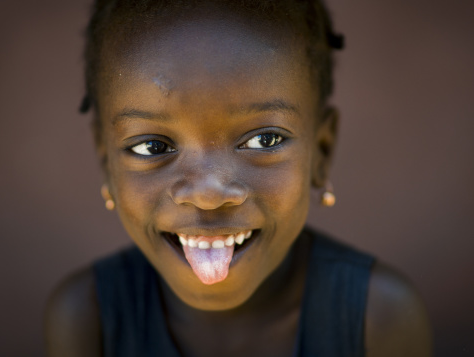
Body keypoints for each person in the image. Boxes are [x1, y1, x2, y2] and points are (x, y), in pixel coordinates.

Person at [45, 0, 432, 356]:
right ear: (106, 163)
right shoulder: (87, 319)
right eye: (152, 147)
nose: (209, 194)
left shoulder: (377, 318)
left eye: (265, 140)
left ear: (322, 152)